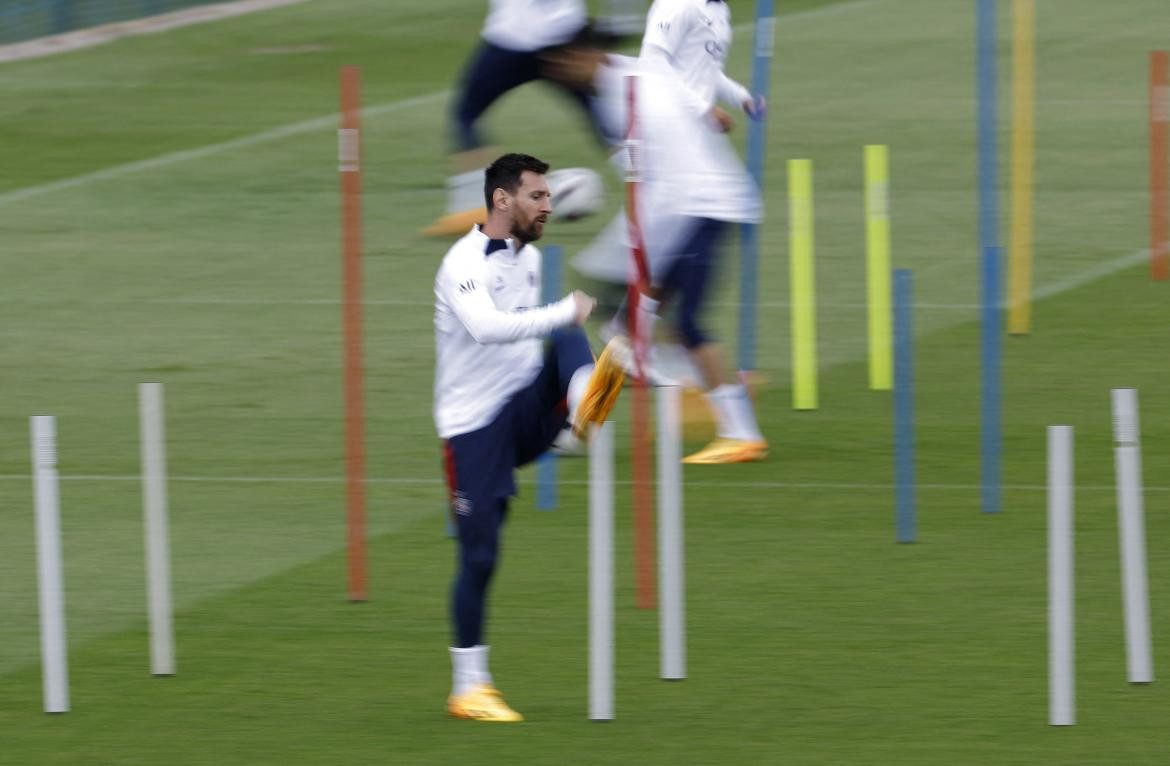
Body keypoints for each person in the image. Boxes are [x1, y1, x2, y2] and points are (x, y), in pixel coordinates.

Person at [434, 153, 628, 721]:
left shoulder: (533, 259)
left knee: (570, 333)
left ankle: (579, 415)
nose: (548, 206)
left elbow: (533, 334)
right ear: (502, 200)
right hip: (472, 427)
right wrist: (560, 312)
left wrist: (561, 322)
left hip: (521, 405)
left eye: (548, 197)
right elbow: (486, 328)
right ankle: (468, 688)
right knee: (481, 554)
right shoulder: (462, 262)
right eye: (537, 197)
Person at [545, 41, 768, 465]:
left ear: (589, 54)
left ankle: (740, 433)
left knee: (681, 325)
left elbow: (660, 181)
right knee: (624, 329)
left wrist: (623, 253)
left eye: (564, 62)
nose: (562, 72)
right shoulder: (632, 82)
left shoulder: (627, 93)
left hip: (704, 208)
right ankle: (586, 424)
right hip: (691, 208)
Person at [423, 1, 634, 237]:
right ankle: (643, 189)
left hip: (513, 39)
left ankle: (471, 208)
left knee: (467, 115)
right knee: (600, 117)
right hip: (564, 37)